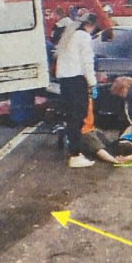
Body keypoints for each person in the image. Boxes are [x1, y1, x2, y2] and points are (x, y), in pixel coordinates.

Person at [55, 11, 98, 168]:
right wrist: (92, 83)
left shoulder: (68, 35)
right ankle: (75, 154)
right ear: (90, 25)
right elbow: (87, 62)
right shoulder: (83, 37)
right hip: (77, 80)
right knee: (79, 116)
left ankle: (72, 149)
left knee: (70, 116)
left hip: (65, 80)